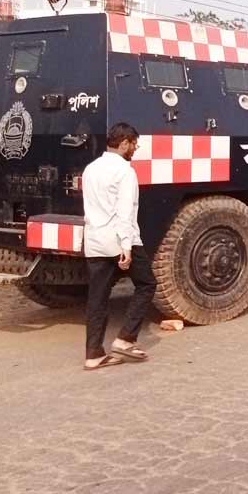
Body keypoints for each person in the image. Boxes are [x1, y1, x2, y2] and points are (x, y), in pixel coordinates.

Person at [82, 123, 157, 371]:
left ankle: (93, 354)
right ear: (124, 143)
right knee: (146, 284)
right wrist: (126, 247)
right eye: (134, 144)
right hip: (119, 240)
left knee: (97, 298)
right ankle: (126, 339)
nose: (135, 148)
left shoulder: (91, 168)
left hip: (94, 240)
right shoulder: (125, 171)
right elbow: (125, 212)